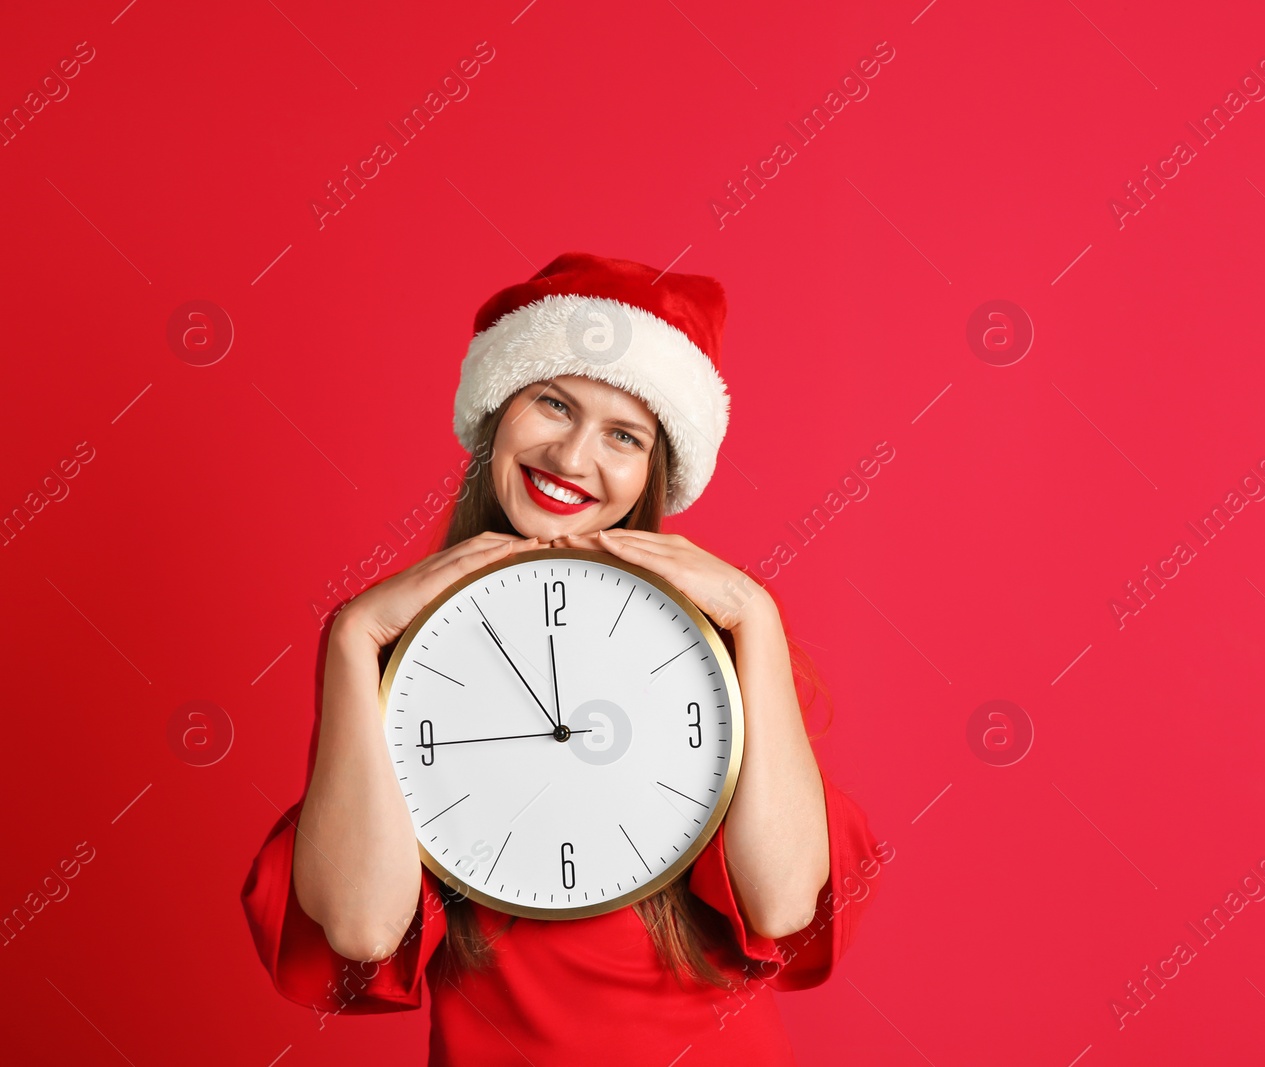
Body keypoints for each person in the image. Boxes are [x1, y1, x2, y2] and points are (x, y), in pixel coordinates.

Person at [240, 252, 885, 1066]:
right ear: (499, 410)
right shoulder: (397, 653)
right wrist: (352, 639)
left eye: (624, 434)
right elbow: (366, 926)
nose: (574, 457)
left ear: (656, 468)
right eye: (554, 402)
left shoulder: (716, 645)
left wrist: (756, 615)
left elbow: (787, 900)